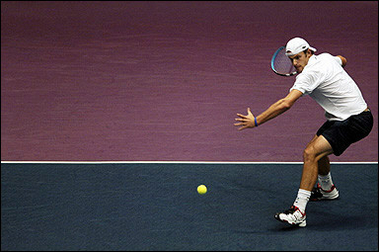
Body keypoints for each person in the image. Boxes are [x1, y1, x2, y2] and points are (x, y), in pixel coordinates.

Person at [234, 37, 373, 227]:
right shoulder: (325, 58)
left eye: (298, 58)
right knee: (315, 148)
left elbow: (286, 103)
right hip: (342, 117)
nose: (295, 64)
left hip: (355, 121)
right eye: (291, 59)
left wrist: (256, 121)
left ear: (309, 52)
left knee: (310, 154)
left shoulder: (309, 75)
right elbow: (343, 59)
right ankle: (327, 189)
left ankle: (298, 212)